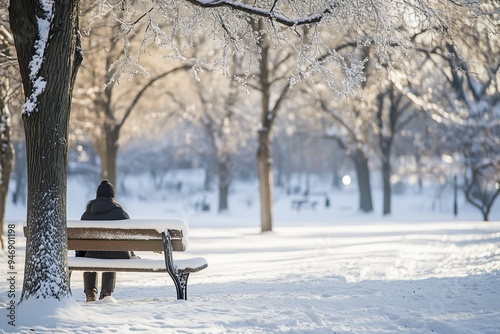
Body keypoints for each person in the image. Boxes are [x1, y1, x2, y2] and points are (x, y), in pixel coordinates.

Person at [77, 179, 132, 302]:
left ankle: (90, 292)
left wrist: (80, 255)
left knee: (89, 256)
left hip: (92, 255)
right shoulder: (121, 214)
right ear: (112, 195)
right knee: (111, 252)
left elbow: (80, 241)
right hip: (116, 255)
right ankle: (106, 292)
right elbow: (128, 238)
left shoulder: (87, 214)